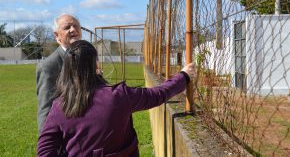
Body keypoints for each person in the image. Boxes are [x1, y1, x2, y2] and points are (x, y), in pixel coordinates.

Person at [37, 40, 196, 157]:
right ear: (96, 65)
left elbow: (44, 151)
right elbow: (159, 94)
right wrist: (183, 76)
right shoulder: (119, 96)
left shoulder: (59, 106)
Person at [36, 13, 82, 133]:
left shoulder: (87, 57)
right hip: (67, 134)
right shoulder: (49, 66)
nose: (73, 30)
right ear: (57, 36)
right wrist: (48, 144)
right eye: (67, 27)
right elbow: (46, 109)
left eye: (76, 26)